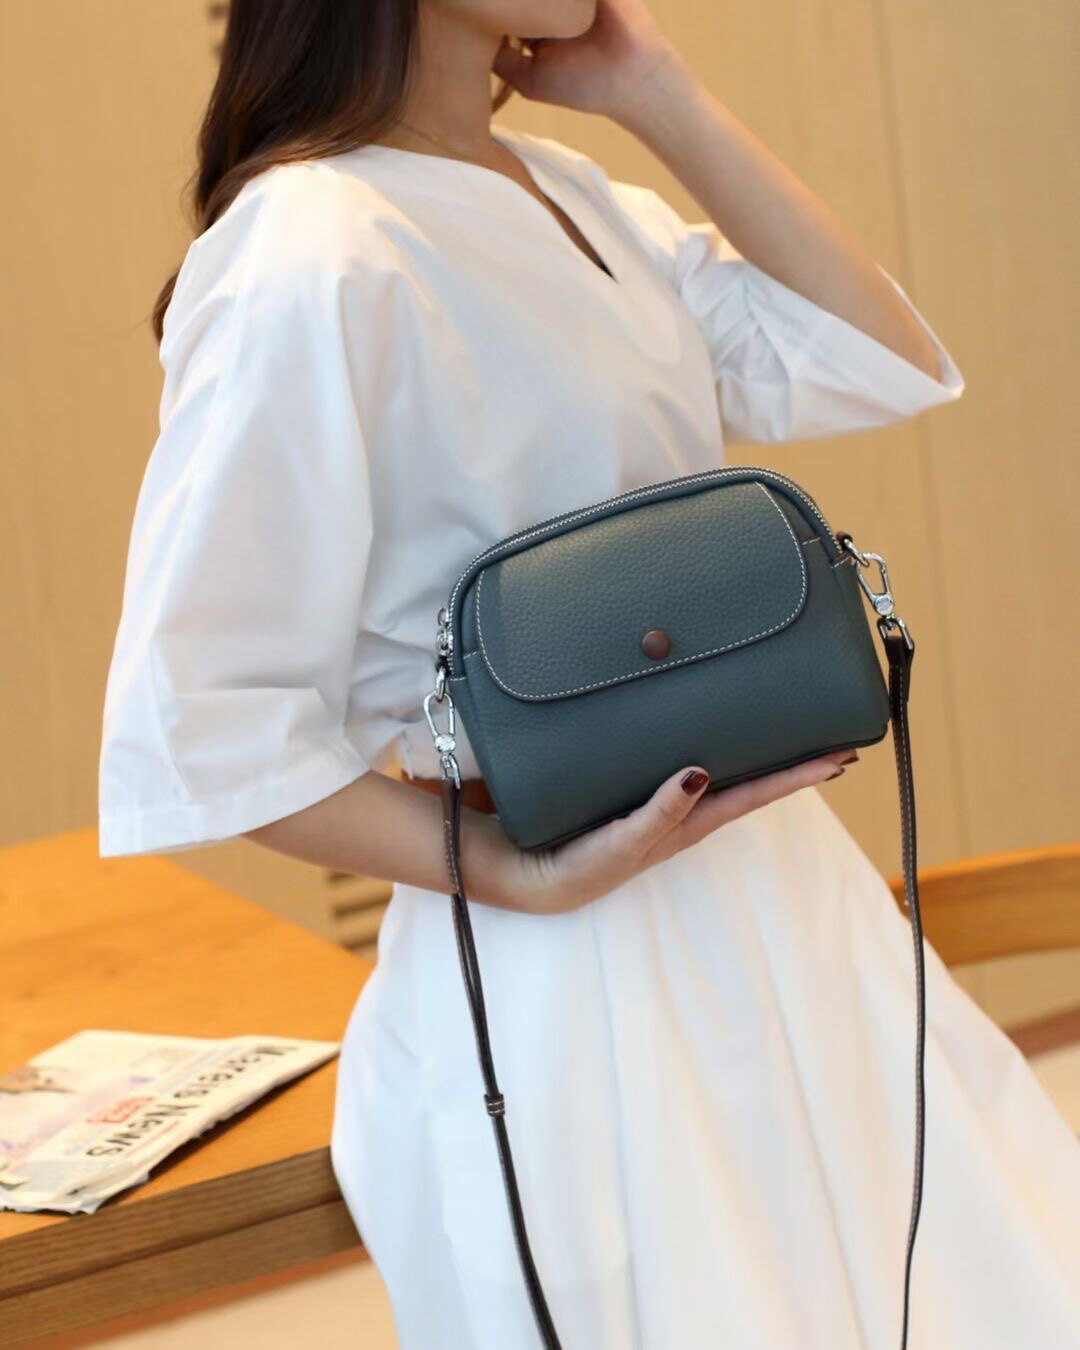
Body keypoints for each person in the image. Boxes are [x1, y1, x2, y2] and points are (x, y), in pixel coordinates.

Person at [98, 1, 1080, 1346]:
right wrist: (513, 875)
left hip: (783, 896)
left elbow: (875, 359)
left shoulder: (571, 191)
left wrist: (660, 93)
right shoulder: (307, 250)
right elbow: (201, 724)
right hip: (576, 970)